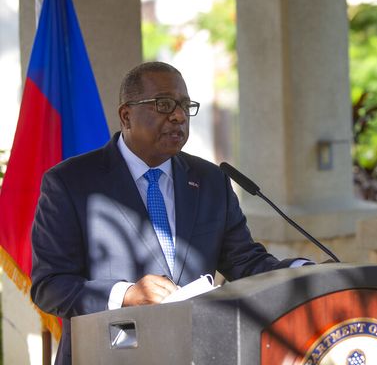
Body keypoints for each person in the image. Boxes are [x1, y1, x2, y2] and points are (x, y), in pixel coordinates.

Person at [30, 62, 308, 365]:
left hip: (197, 353)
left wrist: (302, 272)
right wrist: (127, 294)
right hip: (109, 356)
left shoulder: (211, 180)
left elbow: (245, 262)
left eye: (185, 106)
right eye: (163, 104)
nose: (178, 116)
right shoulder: (71, 182)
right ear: (126, 116)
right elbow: (50, 286)